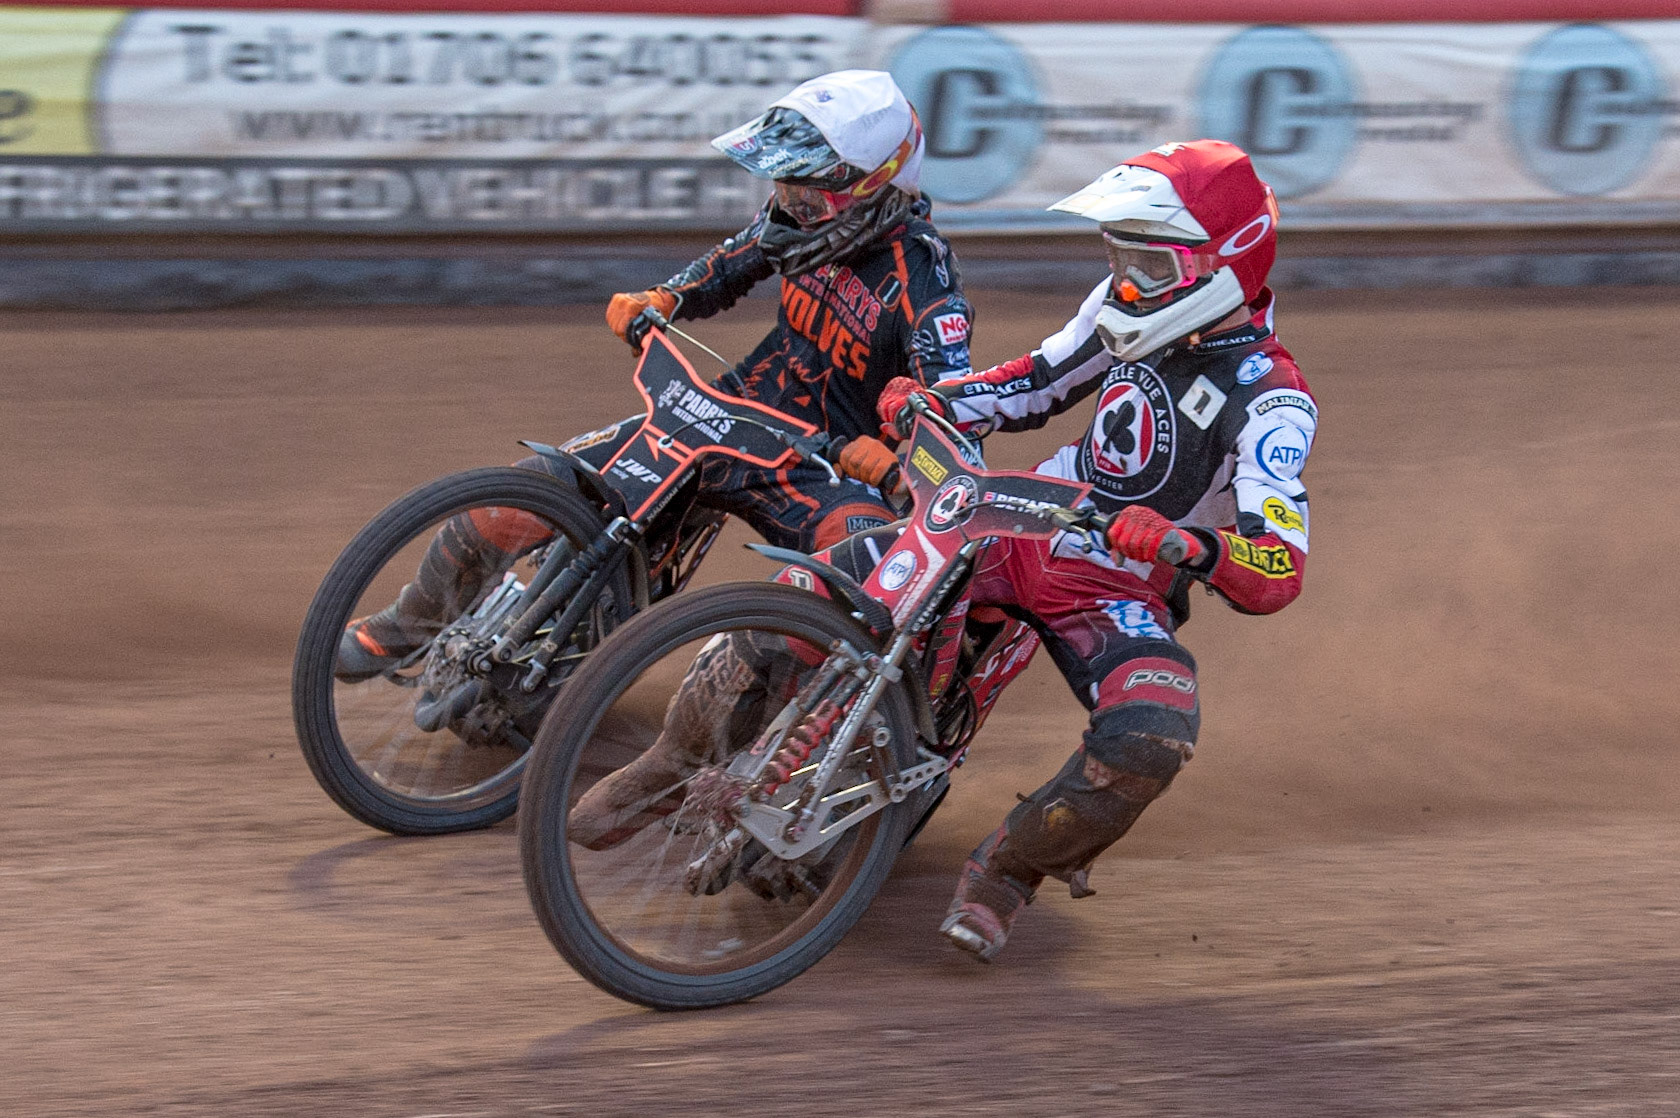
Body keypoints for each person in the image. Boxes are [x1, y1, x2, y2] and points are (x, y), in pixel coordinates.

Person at [338, 70, 971, 679]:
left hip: (822, 466)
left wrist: (897, 453)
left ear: (873, 187)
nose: (789, 206)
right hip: (728, 413)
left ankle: (781, 755)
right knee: (531, 490)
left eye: (807, 193)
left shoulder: (926, 286)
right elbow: (732, 262)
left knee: (859, 582)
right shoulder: (799, 227)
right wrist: (664, 299)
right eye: (783, 187)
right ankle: (405, 628)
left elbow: (956, 421)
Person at [866, 138, 1317, 959]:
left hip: (1118, 587)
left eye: (1149, 261)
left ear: (1223, 268)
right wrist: (935, 399)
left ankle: (1008, 870)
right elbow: (1032, 379)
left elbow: (1279, 568)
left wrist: (1188, 544)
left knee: (1154, 729)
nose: (1127, 277)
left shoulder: (1272, 399)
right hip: (1020, 518)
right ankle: (678, 755)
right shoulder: (1125, 307)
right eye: (1120, 254)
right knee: (843, 575)